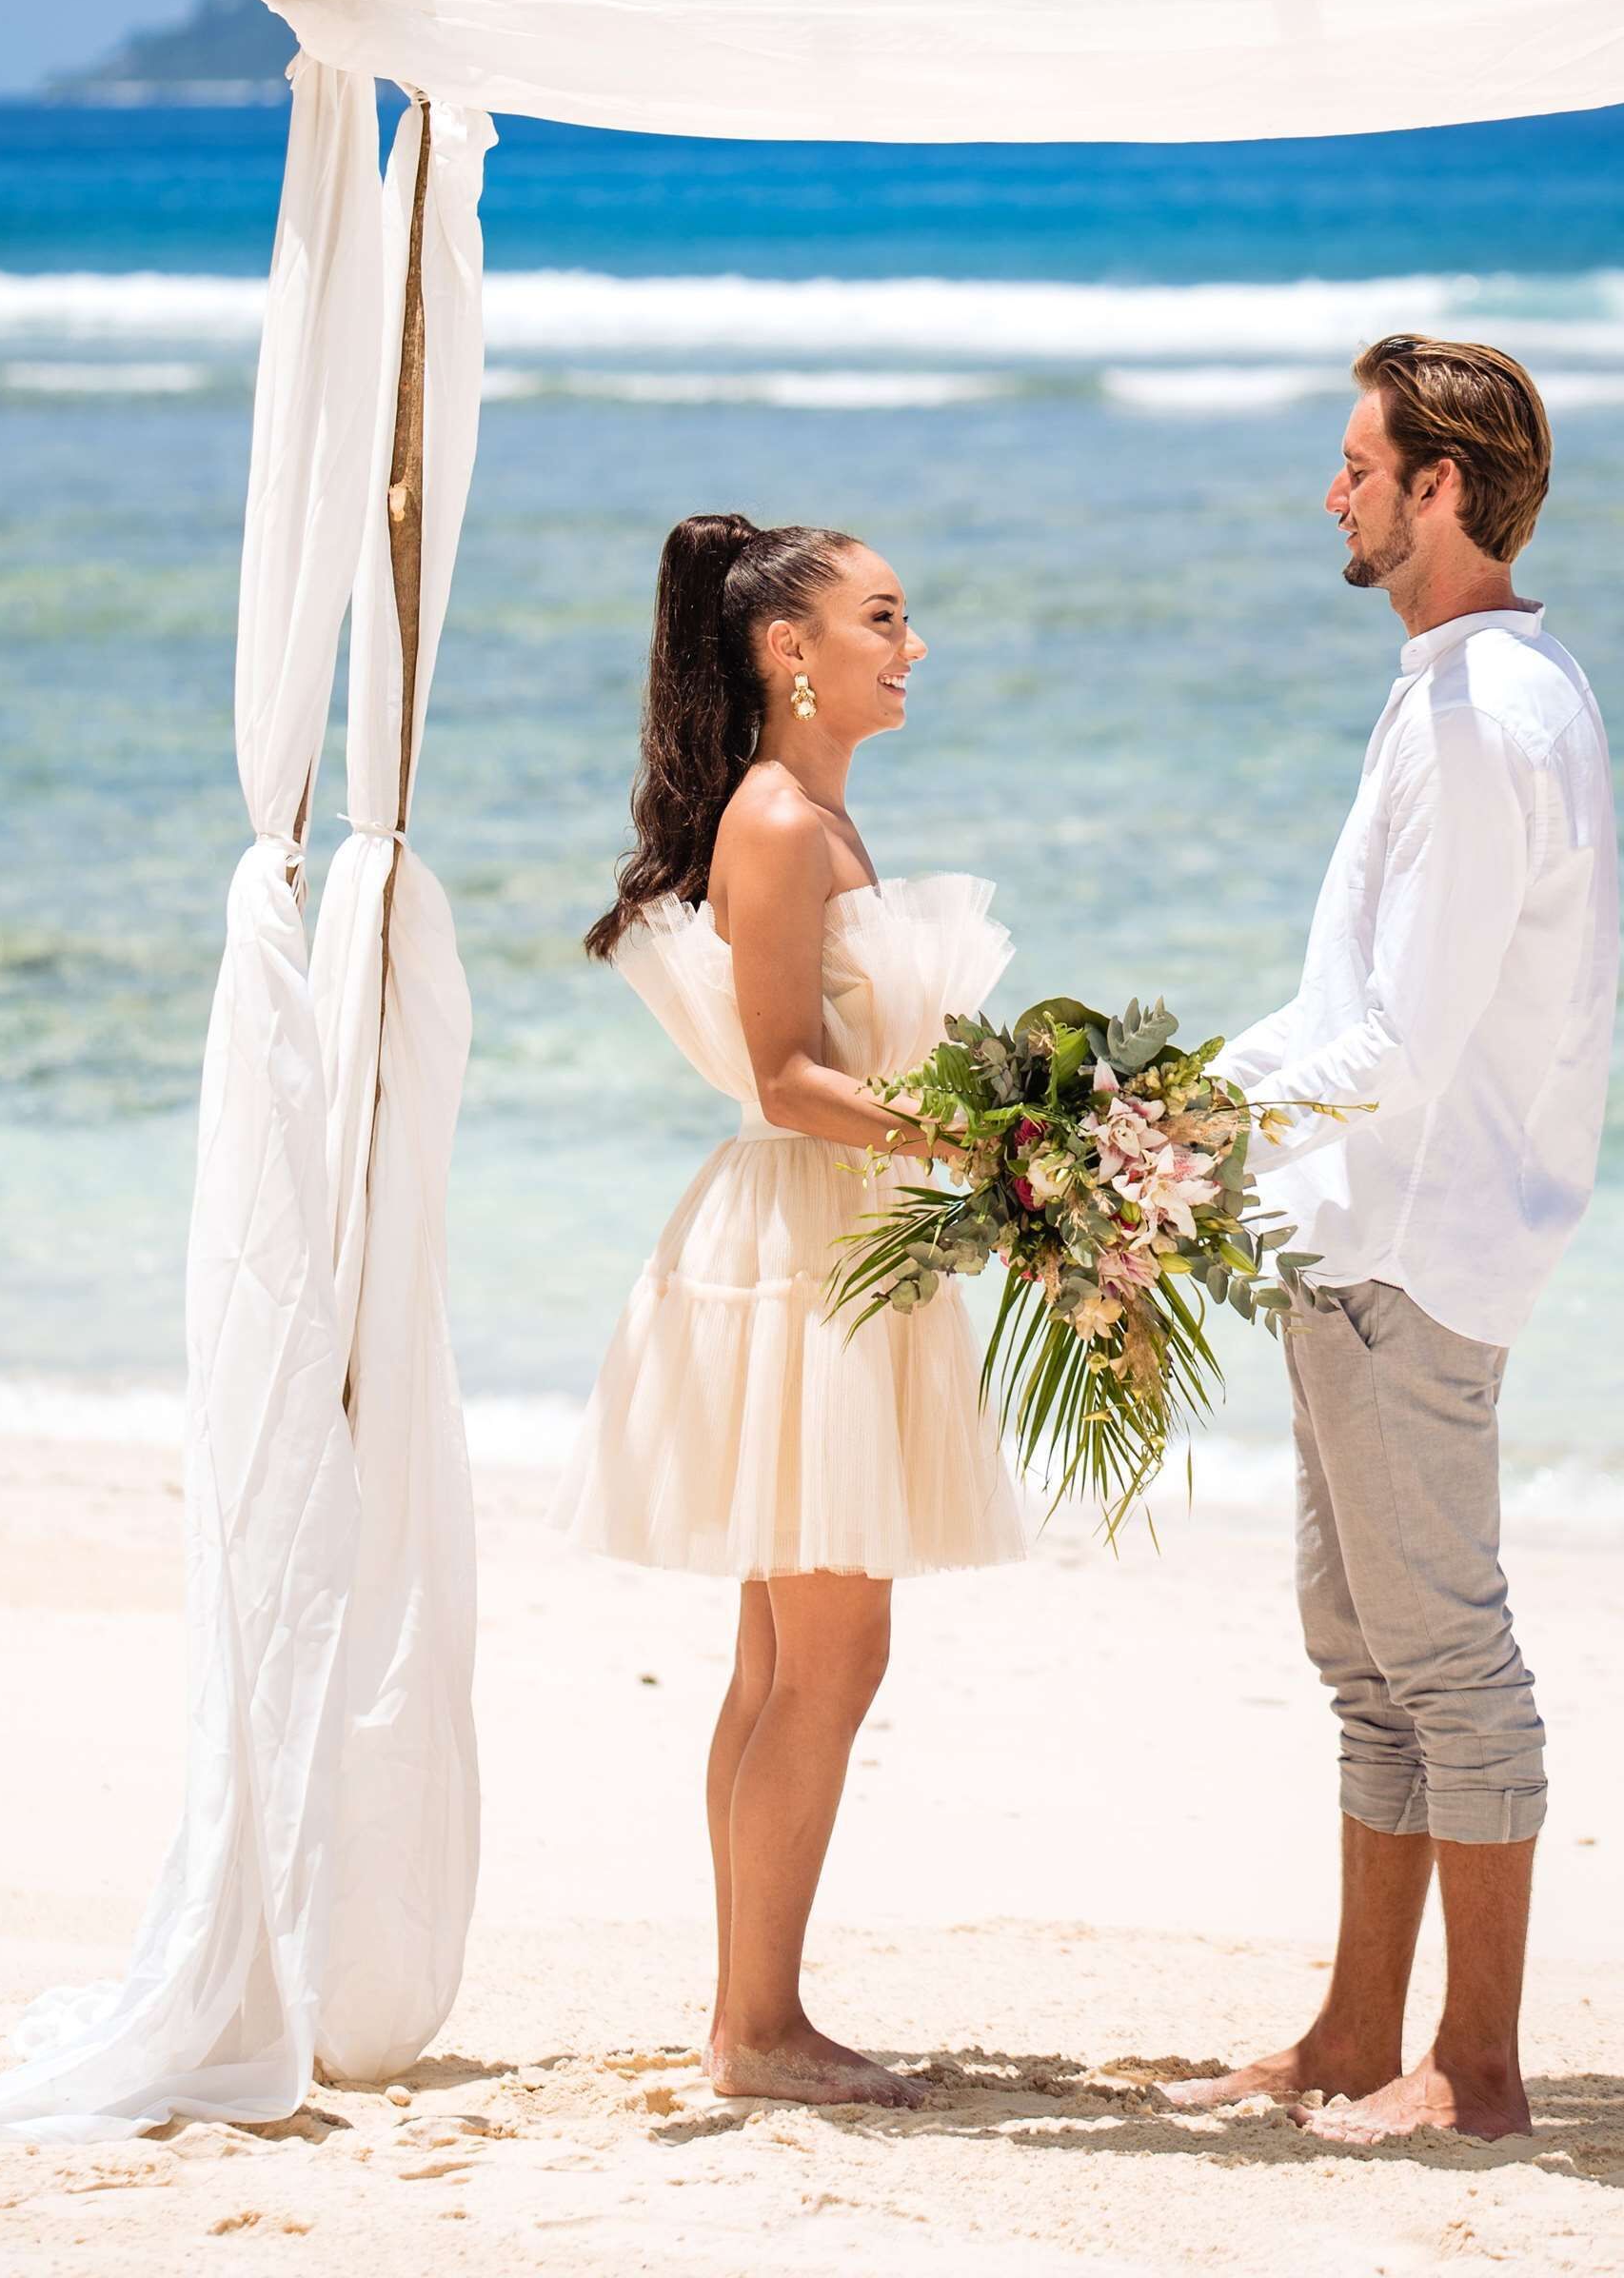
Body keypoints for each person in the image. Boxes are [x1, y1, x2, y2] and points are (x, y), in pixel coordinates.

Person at [1168, 333, 1617, 2145]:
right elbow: (1339, 1001)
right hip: (1356, 1231)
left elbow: (1403, 1048)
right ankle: (1360, 2034)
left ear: (1442, 488)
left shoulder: (1484, 717)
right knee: (1363, 1657)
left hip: (1417, 1250)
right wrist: (1161, 1099)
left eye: (1358, 464)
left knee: (1448, 1664)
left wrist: (1185, 1134)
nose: (1331, 492)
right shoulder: (1458, 683)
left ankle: (1480, 2070)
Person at [554, 514, 1021, 2108]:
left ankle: (750, 2010)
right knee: (823, 1656)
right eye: (882, 617)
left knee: (781, 1657)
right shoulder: (775, 819)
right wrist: (987, 1147)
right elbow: (785, 1079)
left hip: (836, 1238)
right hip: (804, 1255)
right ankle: (758, 2026)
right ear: (788, 649)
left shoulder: (816, 813)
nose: (911, 646)